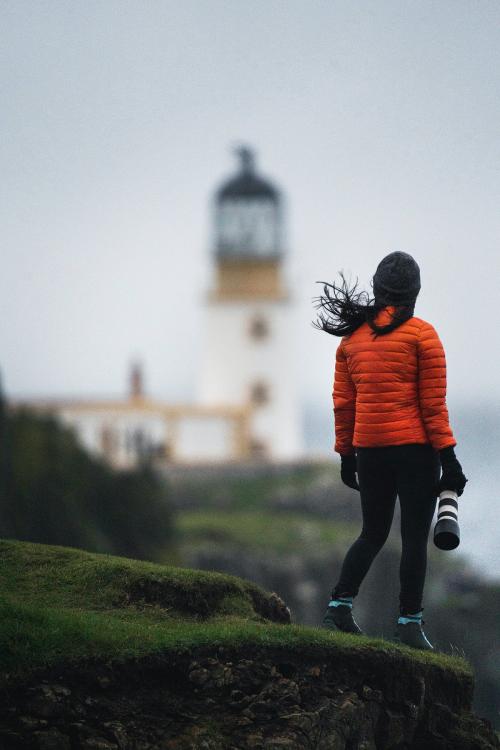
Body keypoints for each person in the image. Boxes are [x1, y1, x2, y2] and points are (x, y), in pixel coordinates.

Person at [314, 251, 468, 650]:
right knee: (414, 538)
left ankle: (338, 608)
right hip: (415, 452)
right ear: (414, 292)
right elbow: (433, 406)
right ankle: (409, 624)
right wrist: (449, 460)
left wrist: (346, 455)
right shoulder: (423, 335)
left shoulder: (352, 340)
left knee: (372, 533)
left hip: (371, 451)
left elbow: (343, 403)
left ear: (378, 289)